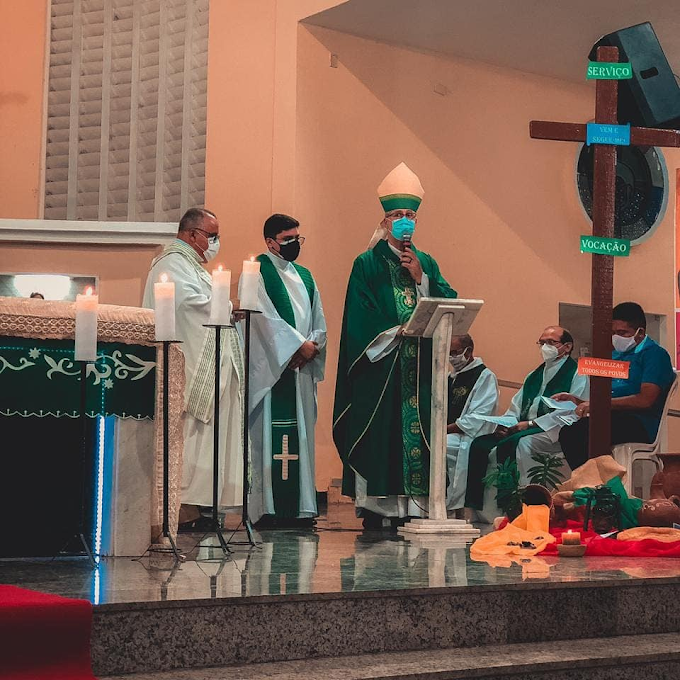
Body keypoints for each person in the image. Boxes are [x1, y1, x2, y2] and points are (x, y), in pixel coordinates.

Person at [333, 162, 458, 530]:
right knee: (382, 437)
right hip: (383, 368)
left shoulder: (427, 261)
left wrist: (422, 279)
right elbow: (359, 316)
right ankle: (379, 509)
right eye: (398, 215)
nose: (405, 220)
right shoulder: (367, 263)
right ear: (385, 221)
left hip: (420, 368)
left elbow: (448, 302)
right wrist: (393, 331)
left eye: (411, 215)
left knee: (419, 433)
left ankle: (415, 510)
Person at [143, 208, 244, 531]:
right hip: (189, 365)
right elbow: (187, 305)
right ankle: (184, 508)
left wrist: (225, 309)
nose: (215, 243)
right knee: (190, 436)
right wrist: (227, 306)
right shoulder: (171, 262)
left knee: (209, 439)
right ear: (191, 234)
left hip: (208, 358)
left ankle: (203, 505)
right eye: (211, 236)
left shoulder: (191, 266)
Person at [243, 213, 327, 527]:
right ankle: (267, 509)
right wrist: (296, 346)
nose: (294, 244)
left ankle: (301, 508)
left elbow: (319, 317)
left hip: (300, 370)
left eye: (297, 239)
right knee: (267, 435)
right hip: (273, 371)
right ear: (270, 242)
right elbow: (262, 319)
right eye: (288, 239)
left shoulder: (305, 275)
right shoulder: (256, 272)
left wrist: (312, 346)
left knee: (301, 435)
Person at [465, 326, 588, 516]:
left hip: (554, 430)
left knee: (523, 443)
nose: (545, 347)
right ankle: (484, 513)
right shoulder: (534, 375)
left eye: (551, 342)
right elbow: (516, 408)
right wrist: (505, 424)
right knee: (480, 444)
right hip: (524, 428)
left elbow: (571, 411)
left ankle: (526, 507)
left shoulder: (578, 373)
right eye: (542, 342)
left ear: (567, 346)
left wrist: (531, 425)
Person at [558, 302, 675, 470]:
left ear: (640, 332)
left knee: (580, 433)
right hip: (612, 415)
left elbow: (645, 400)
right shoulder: (615, 355)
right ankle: (591, 483)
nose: (616, 337)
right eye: (613, 333)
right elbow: (608, 395)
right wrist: (578, 401)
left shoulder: (655, 355)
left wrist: (599, 405)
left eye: (622, 333)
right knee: (569, 431)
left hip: (639, 422)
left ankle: (595, 486)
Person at [446, 334, 499, 515]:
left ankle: (450, 505)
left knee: (441, 448)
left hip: (468, 436)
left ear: (469, 351)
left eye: (456, 353)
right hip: (449, 434)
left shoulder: (484, 377)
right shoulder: (449, 377)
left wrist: (443, 430)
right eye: (449, 353)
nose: (452, 358)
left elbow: (478, 417)